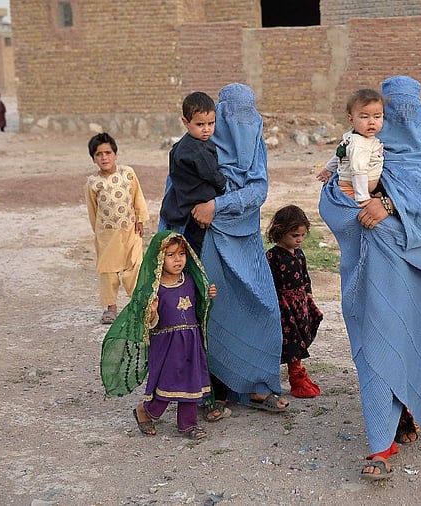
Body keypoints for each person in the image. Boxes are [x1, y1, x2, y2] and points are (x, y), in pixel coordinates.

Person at [319, 75, 421, 481]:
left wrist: (389, 205)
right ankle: (378, 446)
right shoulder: (366, 150)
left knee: (413, 343)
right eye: (387, 113)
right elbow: (335, 199)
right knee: (378, 347)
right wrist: (360, 211)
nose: (394, 120)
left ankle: (406, 415)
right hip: (375, 276)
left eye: (394, 113)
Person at [188, 82, 288, 420]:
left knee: (261, 306)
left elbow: (259, 189)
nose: (240, 124)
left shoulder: (255, 144)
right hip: (207, 239)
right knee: (212, 309)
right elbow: (177, 195)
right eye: (233, 116)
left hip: (244, 236)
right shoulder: (198, 144)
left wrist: (219, 204)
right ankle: (212, 389)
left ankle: (259, 383)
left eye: (248, 115)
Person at [100, 231, 217, 439]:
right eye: (170, 255)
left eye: (181, 253)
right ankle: (145, 411)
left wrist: (208, 295)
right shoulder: (154, 289)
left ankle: (188, 425)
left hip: (190, 342)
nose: (178, 259)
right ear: (159, 258)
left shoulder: (190, 280)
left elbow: (199, 309)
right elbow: (147, 324)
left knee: (191, 383)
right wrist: (151, 312)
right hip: (167, 346)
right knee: (167, 384)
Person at [84, 133, 150, 324]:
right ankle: (111, 307)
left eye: (108, 152)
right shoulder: (93, 183)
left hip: (130, 230)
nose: (104, 157)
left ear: (115, 154)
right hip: (107, 235)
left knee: (135, 266)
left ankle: (137, 304)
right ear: (93, 158)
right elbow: (93, 211)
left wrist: (140, 219)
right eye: (99, 154)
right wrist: (99, 233)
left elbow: (138, 196)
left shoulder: (128, 173)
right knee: (108, 271)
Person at [265, 205, 323, 398]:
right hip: (284, 309)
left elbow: (305, 276)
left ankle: (298, 376)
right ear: (280, 232)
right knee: (292, 343)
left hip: (300, 305)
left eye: (302, 235)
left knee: (301, 339)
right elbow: (268, 282)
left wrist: (308, 294)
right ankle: (295, 379)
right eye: (294, 235)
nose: (299, 240)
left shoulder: (298, 253)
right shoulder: (273, 256)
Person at [160, 91, 226, 254]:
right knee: (196, 250)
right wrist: (224, 186)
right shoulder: (197, 151)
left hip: (183, 204)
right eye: (200, 125)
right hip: (196, 208)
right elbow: (212, 174)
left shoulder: (184, 145)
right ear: (185, 122)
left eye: (211, 123)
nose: (206, 130)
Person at [316, 88, 385, 203]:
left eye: (377, 116)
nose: (372, 122)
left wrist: (328, 169)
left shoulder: (351, 136)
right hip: (353, 191)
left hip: (355, 188)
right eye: (364, 117)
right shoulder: (360, 144)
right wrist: (363, 198)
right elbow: (358, 171)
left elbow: (340, 153)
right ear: (351, 119)